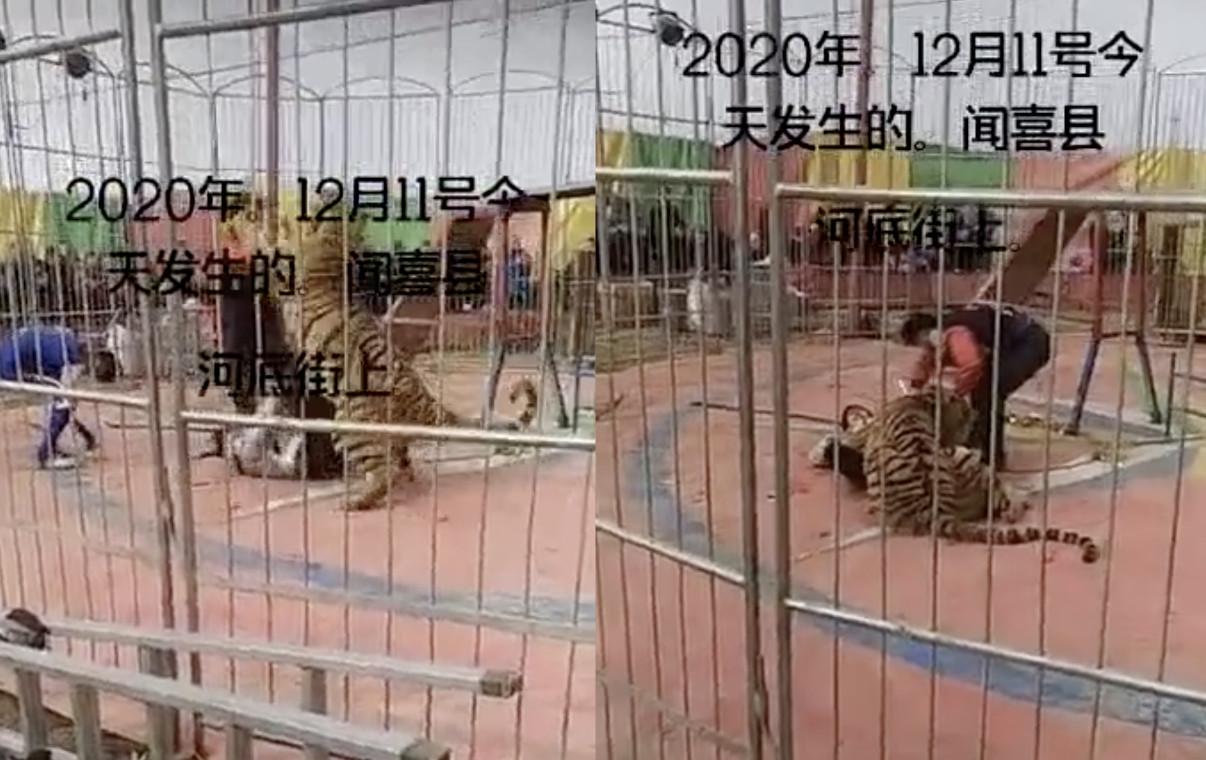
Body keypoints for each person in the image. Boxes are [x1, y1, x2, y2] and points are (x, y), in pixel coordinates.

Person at [898, 302, 1051, 470]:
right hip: (1017, 342)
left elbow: (972, 365)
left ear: (927, 333)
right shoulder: (943, 333)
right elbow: (926, 362)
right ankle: (976, 441)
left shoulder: (955, 334)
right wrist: (914, 387)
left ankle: (991, 457)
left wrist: (956, 395)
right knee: (983, 389)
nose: (921, 346)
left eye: (918, 342)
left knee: (990, 391)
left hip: (1030, 343)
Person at [0, 324, 98, 470]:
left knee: (59, 400)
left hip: (10, 357)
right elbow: (68, 395)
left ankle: (53, 444)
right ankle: (47, 455)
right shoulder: (73, 357)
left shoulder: (61, 336)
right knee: (64, 402)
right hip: (12, 368)